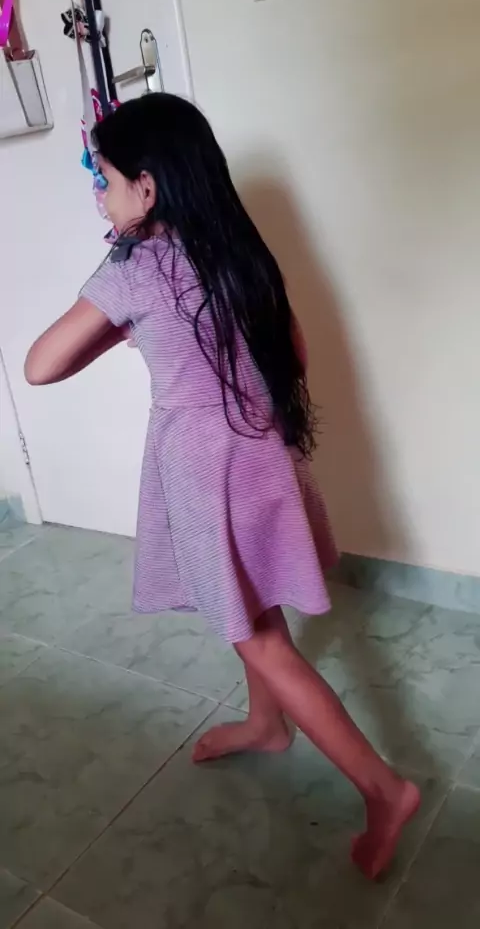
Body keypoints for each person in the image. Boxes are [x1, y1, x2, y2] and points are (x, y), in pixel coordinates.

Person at [25, 93, 419, 879]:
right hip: (263, 455)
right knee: (255, 602)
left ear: (146, 188)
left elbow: (40, 365)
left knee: (255, 635)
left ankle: (385, 789)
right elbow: (294, 356)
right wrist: (136, 328)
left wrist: (118, 299)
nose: (98, 197)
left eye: (103, 179)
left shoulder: (135, 271)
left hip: (207, 472)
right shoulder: (238, 250)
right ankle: (266, 726)